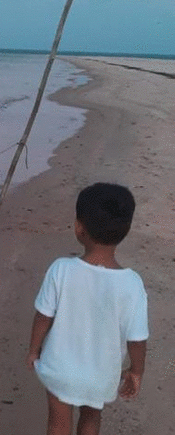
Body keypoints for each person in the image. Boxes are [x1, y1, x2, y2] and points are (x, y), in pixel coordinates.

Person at [25, 183, 148, 435]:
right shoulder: (132, 283)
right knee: (91, 418)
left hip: (59, 368)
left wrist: (33, 350)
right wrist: (136, 371)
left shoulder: (61, 269)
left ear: (79, 228)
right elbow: (137, 338)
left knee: (57, 424)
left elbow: (43, 316)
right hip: (101, 374)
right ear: (125, 230)